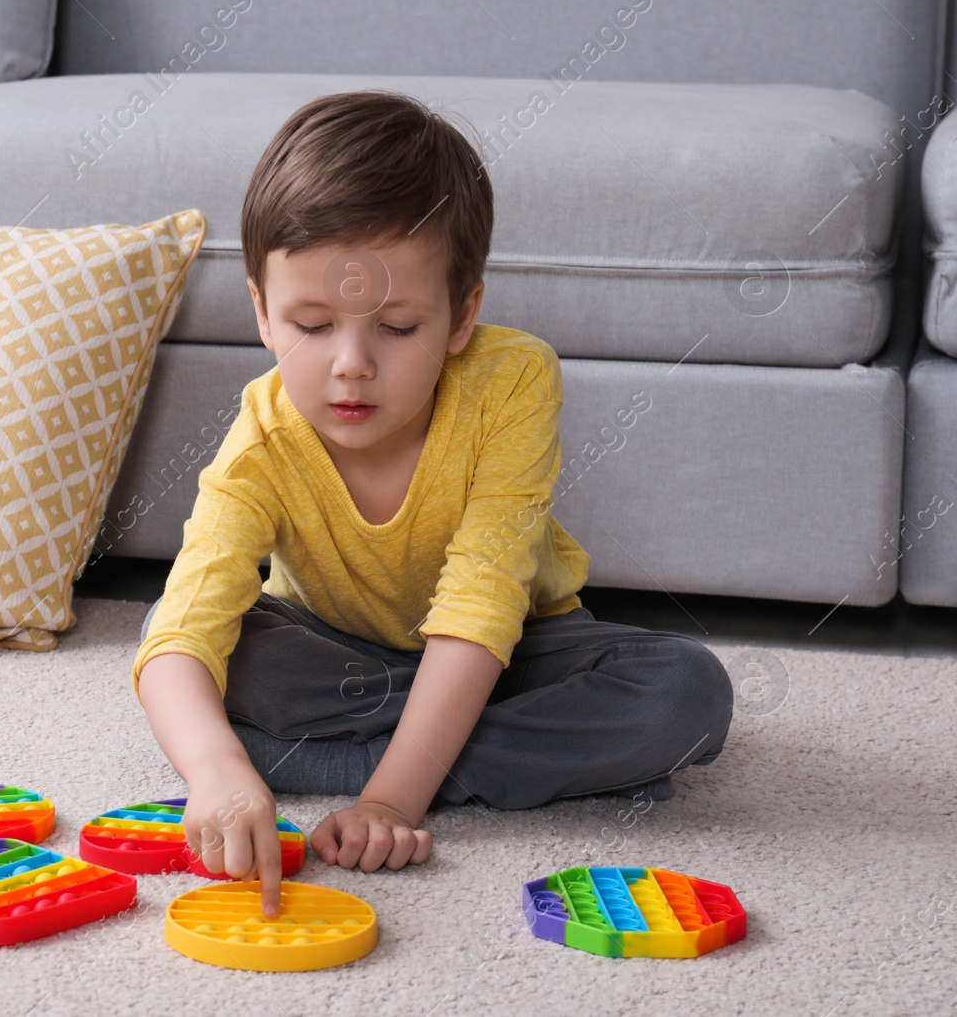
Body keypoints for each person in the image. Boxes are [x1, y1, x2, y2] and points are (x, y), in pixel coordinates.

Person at [131, 89, 733, 917]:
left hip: (512, 653)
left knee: (685, 692)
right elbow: (183, 627)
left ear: (462, 316)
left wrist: (389, 802)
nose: (351, 364)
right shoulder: (262, 437)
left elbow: (485, 601)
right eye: (311, 323)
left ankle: (345, 761)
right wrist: (217, 771)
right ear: (263, 313)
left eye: (399, 328)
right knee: (197, 652)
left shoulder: (513, 379)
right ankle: (449, 754)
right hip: (339, 657)